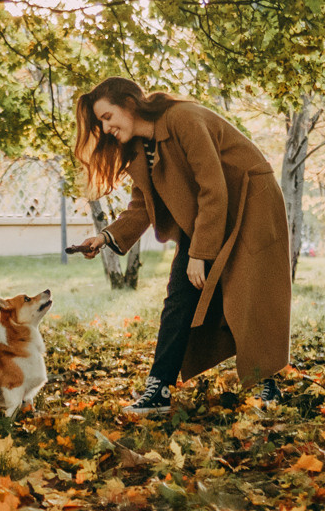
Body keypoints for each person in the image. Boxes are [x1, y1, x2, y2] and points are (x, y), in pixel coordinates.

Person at [73, 77, 293, 415]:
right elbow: (142, 206)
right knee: (179, 296)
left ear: (129, 104)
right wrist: (105, 237)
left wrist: (200, 254)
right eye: (100, 122)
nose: (105, 128)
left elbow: (213, 187)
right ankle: (158, 390)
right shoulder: (139, 149)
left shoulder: (183, 119)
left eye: (106, 117)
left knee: (249, 293)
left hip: (250, 201)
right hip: (207, 213)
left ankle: (269, 386)